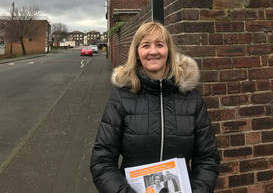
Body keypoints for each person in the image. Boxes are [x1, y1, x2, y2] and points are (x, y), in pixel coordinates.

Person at [90, 21, 220, 193]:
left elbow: (207, 158)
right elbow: (102, 161)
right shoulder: (121, 97)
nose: (153, 51)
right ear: (137, 53)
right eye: (145, 45)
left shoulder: (191, 98)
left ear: (168, 51)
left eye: (160, 44)